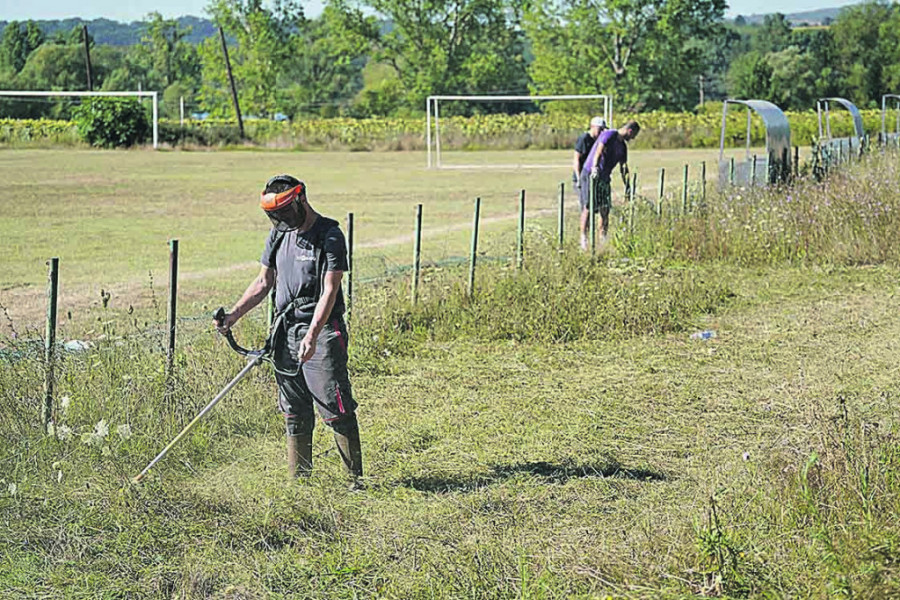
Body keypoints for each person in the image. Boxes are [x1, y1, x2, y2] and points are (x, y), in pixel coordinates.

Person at [214, 174, 363, 485]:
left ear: (301, 199)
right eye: (275, 215)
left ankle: (355, 482)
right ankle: (301, 482)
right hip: (285, 331)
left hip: (322, 332)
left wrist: (312, 335)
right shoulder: (279, 235)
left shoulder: (330, 235)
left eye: (284, 212)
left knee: (333, 403)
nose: (280, 220)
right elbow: (263, 282)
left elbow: (330, 290)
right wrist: (233, 316)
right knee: (293, 407)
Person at [578, 120, 640, 249]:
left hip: (605, 178)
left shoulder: (622, 147)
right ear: (630, 131)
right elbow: (598, 151)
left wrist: (628, 186)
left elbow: (623, 167)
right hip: (591, 173)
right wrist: (595, 167)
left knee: (605, 208)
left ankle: (603, 240)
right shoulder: (610, 134)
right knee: (589, 206)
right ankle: (584, 239)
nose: (632, 139)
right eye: (633, 136)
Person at [572, 116, 607, 190]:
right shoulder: (584, 139)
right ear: (592, 127)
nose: (601, 132)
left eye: (603, 129)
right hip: (582, 176)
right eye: (600, 129)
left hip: (593, 176)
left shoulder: (600, 140)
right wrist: (579, 178)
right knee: (586, 201)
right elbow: (576, 159)